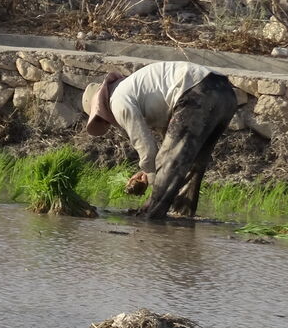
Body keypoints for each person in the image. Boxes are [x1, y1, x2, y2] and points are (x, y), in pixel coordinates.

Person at [82, 61, 238, 218]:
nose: (107, 123)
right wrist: (147, 172)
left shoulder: (118, 101)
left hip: (197, 92)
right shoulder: (137, 89)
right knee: (194, 163)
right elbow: (171, 147)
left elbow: (149, 151)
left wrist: (151, 177)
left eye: (101, 119)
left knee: (169, 164)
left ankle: (151, 219)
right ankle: (182, 218)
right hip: (225, 93)